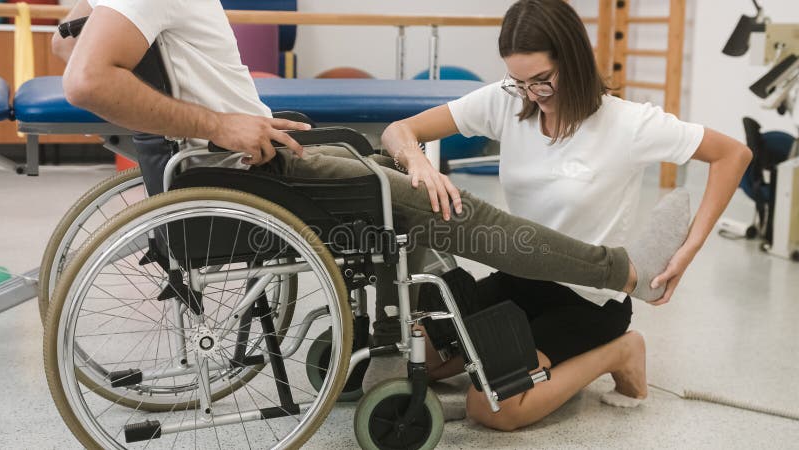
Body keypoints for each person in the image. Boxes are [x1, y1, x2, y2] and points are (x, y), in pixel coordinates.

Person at [53, 0, 705, 427]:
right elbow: (84, 79)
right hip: (255, 171)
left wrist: (231, 113)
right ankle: (624, 272)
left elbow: (71, 53)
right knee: (467, 218)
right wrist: (223, 123)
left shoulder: (624, 121)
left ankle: (566, 299)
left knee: (419, 198)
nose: (533, 94)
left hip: (245, 164)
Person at [377, 0, 752, 432]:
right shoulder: (506, 100)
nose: (532, 94)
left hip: (588, 299)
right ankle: (514, 352)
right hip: (520, 280)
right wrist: (418, 162)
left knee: (492, 408)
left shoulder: (629, 124)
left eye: (542, 81)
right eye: (520, 82)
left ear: (572, 61)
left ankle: (620, 351)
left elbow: (732, 154)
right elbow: (399, 130)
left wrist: (689, 249)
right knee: (420, 359)